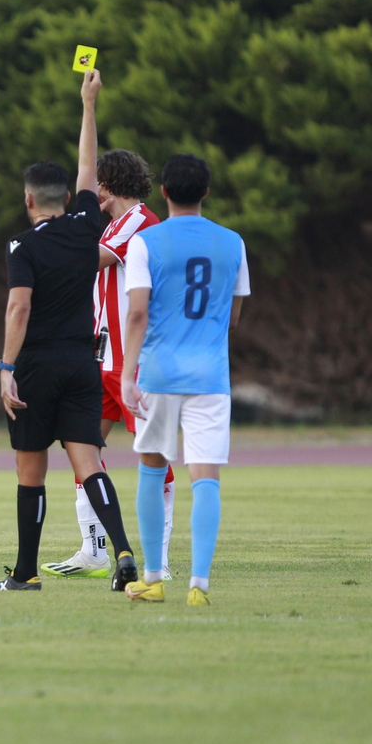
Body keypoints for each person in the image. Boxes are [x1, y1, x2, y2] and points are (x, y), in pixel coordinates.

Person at [0, 70, 138, 592]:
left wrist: (7, 369)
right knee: (89, 462)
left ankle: (26, 573)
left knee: (30, 472)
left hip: (36, 365)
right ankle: (122, 551)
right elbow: (87, 166)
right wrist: (88, 105)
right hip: (83, 363)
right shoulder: (84, 225)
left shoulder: (21, 247)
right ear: (67, 197)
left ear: (29, 200)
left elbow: (18, 310)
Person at [118, 154, 250, 606]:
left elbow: (137, 313)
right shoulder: (233, 243)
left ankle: (153, 579)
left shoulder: (146, 242)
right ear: (206, 193)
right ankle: (199, 585)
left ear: (166, 193)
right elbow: (233, 316)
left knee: (152, 470)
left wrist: (125, 375)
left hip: (158, 372)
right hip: (211, 376)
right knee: (205, 477)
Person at [42, 149, 178, 579]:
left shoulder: (140, 221)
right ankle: (95, 549)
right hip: (101, 362)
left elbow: (89, 261)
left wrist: (44, 247)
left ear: (106, 184)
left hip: (135, 364)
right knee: (82, 449)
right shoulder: (114, 225)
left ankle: (161, 561)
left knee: (154, 458)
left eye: (93, 183)